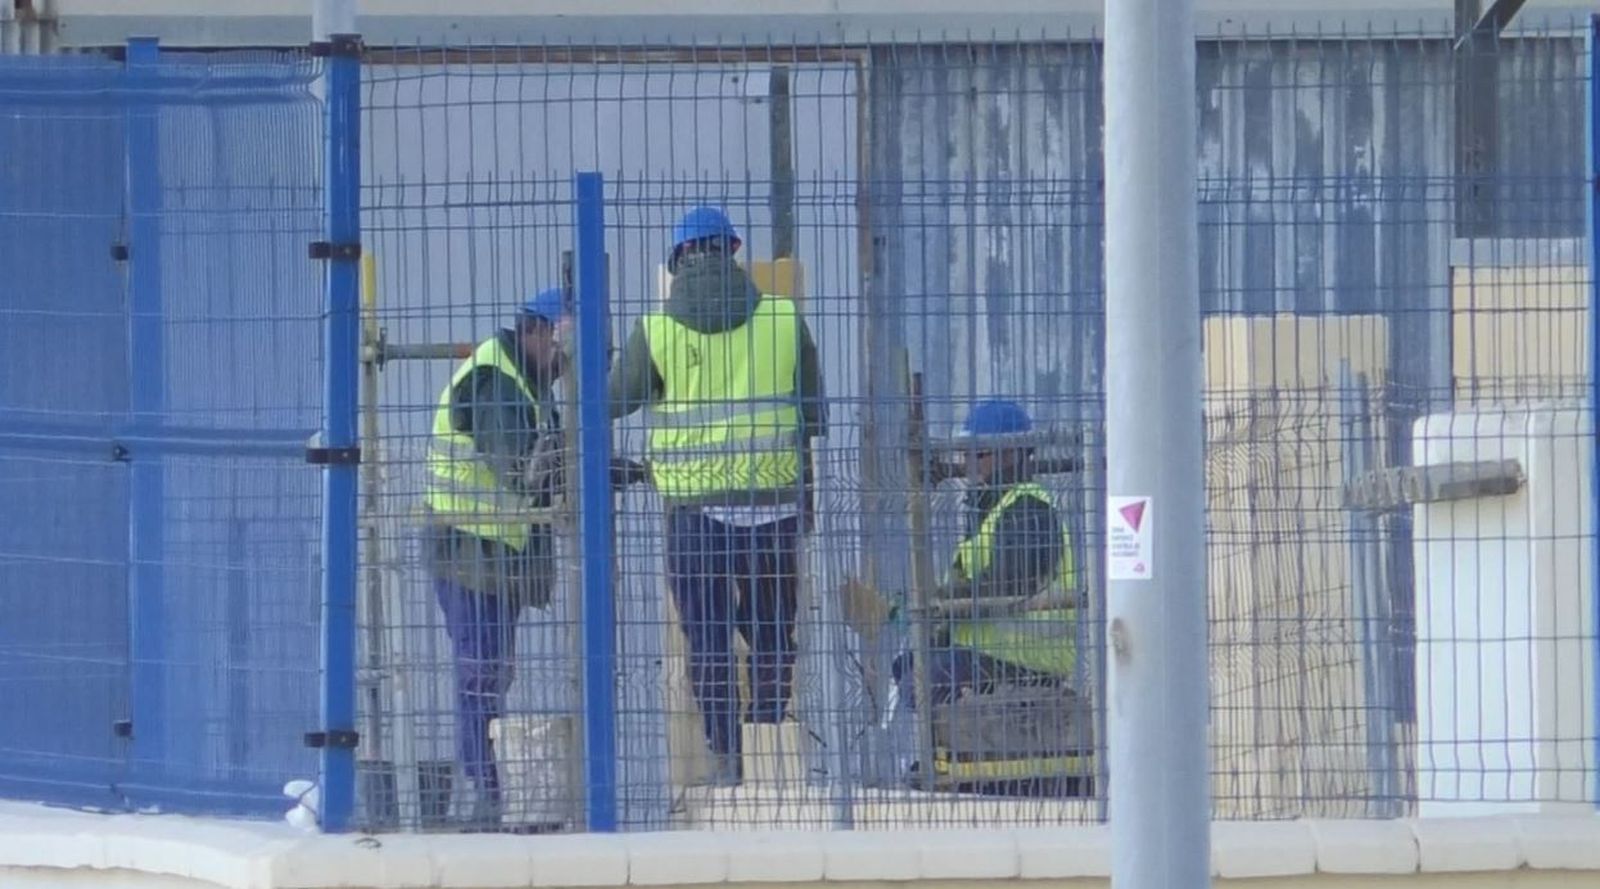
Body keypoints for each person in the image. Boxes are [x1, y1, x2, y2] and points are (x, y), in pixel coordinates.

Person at [609, 206, 826, 786]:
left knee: (706, 637)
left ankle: (727, 756)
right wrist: (805, 501)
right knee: (772, 632)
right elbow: (811, 417)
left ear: (679, 259)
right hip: (773, 508)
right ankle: (768, 744)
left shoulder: (655, 328)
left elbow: (609, 401)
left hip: (696, 516)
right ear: (732, 251)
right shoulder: (783, 318)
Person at [848, 399, 1083, 795]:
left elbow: (1009, 584)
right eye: (965, 454)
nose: (968, 464)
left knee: (928, 676)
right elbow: (975, 581)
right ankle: (959, 749)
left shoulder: (1027, 509)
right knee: (910, 666)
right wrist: (927, 611)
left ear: (1010, 453)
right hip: (996, 655)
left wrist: (941, 607)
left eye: (978, 454)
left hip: (1025, 658)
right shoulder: (994, 509)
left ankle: (972, 750)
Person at [422, 287, 569, 827]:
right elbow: (524, 469)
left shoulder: (522, 379)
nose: (564, 363)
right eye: (562, 348)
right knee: (481, 674)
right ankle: (487, 796)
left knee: (488, 672)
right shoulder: (499, 385)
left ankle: (489, 792)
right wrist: (584, 477)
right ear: (538, 333)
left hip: (490, 552)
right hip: (470, 550)